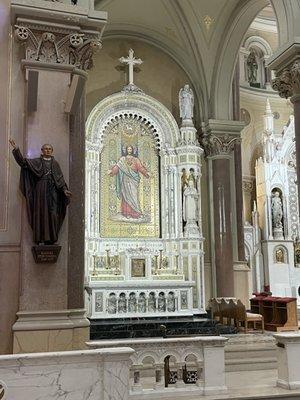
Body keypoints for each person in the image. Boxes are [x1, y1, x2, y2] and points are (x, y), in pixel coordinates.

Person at [9, 139, 71, 244]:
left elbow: (60, 180)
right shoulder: (36, 162)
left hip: (53, 192)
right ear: (42, 150)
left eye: (49, 149)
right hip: (40, 191)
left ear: (52, 151)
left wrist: (64, 190)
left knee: (53, 214)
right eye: (45, 149)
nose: (47, 150)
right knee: (41, 213)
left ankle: (51, 238)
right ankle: (40, 238)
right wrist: (16, 149)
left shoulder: (55, 164)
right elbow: (23, 162)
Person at [108, 145, 149, 219]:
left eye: (130, 149)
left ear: (132, 150)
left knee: (133, 195)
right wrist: (112, 171)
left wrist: (146, 173)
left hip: (133, 180)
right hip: (125, 180)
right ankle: (126, 213)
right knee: (126, 196)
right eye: (128, 149)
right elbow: (117, 166)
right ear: (126, 150)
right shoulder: (122, 159)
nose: (129, 150)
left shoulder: (136, 160)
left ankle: (135, 213)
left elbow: (140, 168)